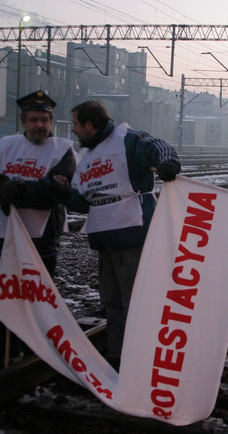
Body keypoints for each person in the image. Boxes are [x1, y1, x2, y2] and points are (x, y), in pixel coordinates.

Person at [64, 100, 180, 371]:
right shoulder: (88, 156)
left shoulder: (127, 139)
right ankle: (118, 357)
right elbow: (82, 202)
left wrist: (167, 163)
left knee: (136, 301)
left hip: (133, 233)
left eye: (76, 124)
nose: (73, 130)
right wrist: (58, 193)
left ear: (90, 125)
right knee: (113, 303)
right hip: (105, 239)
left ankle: (142, 360)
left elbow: (157, 146)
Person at [0, 90, 76, 368]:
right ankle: (3, 346)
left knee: (39, 293)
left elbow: (57, 188)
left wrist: (15, 190)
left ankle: (38, 345)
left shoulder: (62, 149)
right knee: (5, 290)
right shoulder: (4, 146)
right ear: (23, 122)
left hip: (43, 234)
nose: (40, 125)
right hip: (5, 232)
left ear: (51, 122)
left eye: (45, 120)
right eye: (34, 119)